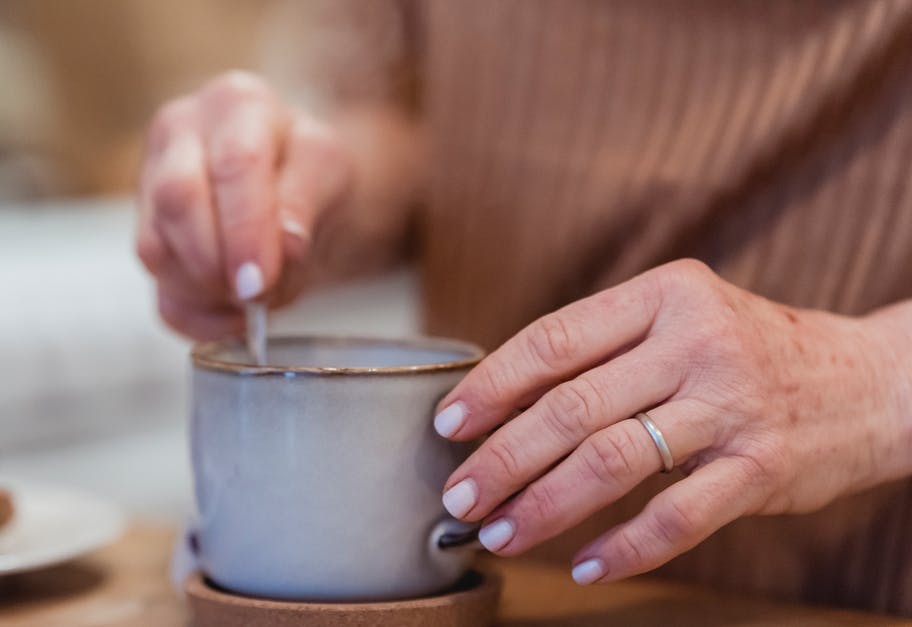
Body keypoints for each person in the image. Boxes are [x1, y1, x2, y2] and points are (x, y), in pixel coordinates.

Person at [135, 0, 912, 615]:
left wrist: (869, 378)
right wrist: (302, 192)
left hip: (855, 578)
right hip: (504, 582)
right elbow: (402, 114)